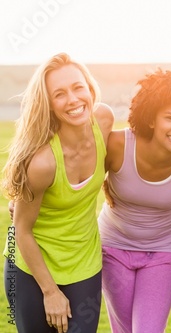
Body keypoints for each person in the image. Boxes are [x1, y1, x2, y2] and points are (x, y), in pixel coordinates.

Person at [98, 69, 171, 333]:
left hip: (162, 253)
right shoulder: (118, 145)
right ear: (152, 119)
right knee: (124, 329)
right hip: (113, 248)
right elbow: (81, 176)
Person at [2, 53, 114, 333]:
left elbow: (113, 163)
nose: (74, 100)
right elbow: (22, 230)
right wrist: (50, 292)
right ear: (49, 104)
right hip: (30, 266)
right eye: (60, 94)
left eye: (78, 87)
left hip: (83, 264)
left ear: (89, 87)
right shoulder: (43, 162)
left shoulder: (104, 120)